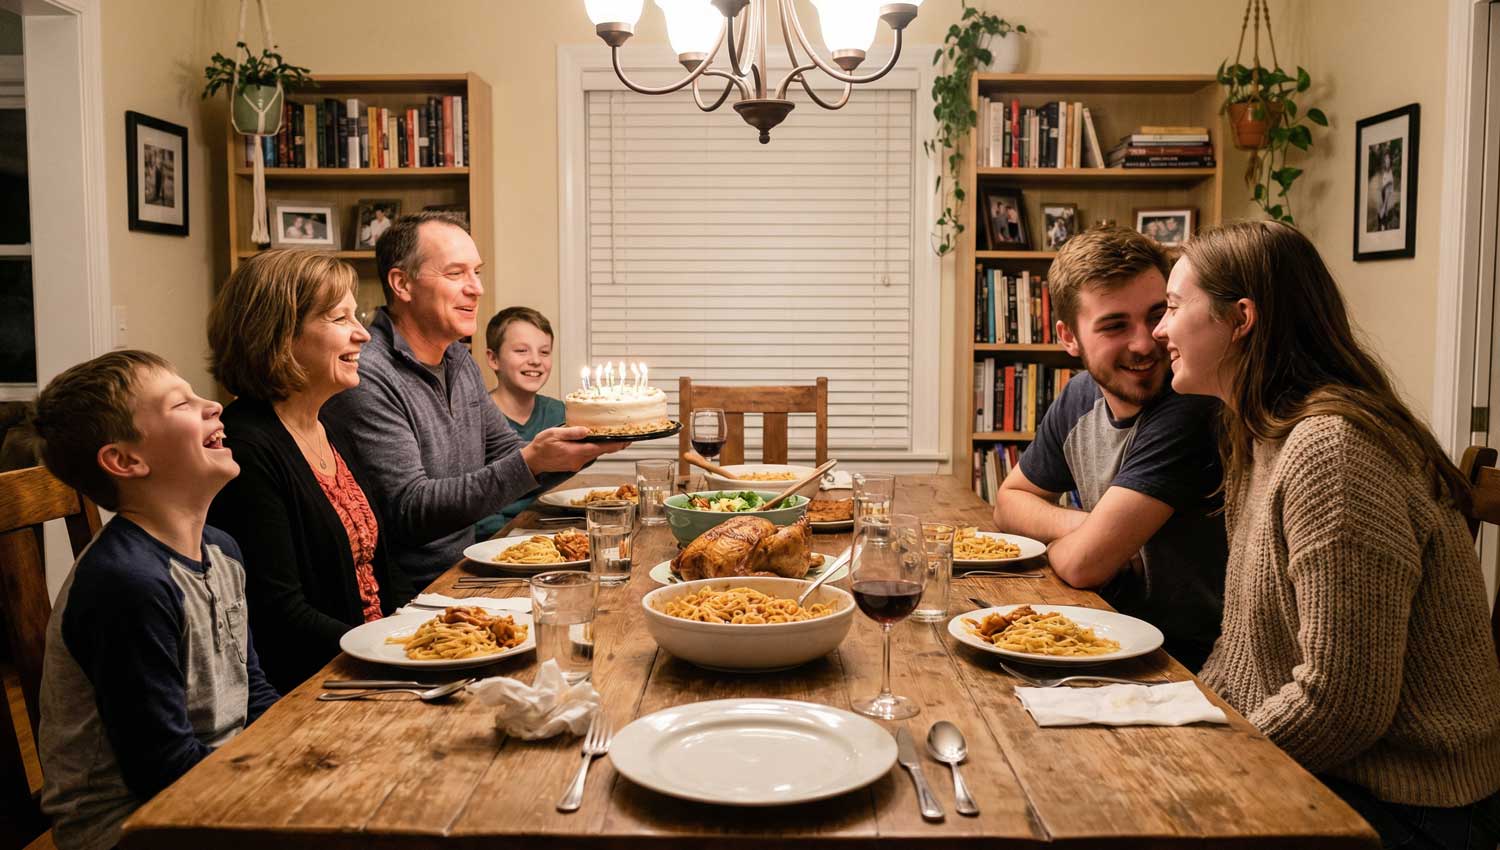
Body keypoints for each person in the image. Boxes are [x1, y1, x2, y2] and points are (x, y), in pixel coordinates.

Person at [1151, 220, 1500, 849]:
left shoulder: (1331, 451)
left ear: (1241, 318)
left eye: (1174, 307)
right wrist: (1182, 726)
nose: (1159, 330)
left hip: (1412, 806)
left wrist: (1211, 763)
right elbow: (1241, 651)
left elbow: (1343, 703)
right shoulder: (1259, 436)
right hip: (1333, 770)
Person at [29, 350, 279, 850]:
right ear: (125, 460)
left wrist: (294, 753)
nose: (213, 405)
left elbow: (252, 691)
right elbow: (160, 766)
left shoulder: (221, 551)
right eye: (180, 404)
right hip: (132, 825)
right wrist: (280, 789)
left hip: (214, 783)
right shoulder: (126, 582)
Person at [322, 211, 626, 586]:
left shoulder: (457, 359)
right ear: (402, 283)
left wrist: (582, 447)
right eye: (455, 274)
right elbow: (410, 509)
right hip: (416, 593)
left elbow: (506, 453)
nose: (476, 288)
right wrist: (533, 460)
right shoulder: (368, 373)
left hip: (468, 569)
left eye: (476, 272)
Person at [991, 226, 1226, 671]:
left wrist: (1085, 542)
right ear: (1069, 337)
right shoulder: (1080, 395)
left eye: (1159, 314)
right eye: (1115, 326)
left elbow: (1085, 566)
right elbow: (1008, 501)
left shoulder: (1192, 405)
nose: (1145, 342)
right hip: (1110, 633)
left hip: (1185, 662)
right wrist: (1088, 524)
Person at [205, 250, 413, 693]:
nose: (363, 335)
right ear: (280, 335)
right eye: (340, 319)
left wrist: (419, 628)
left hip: (374, 658)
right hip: (316, 683)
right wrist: (399, 647)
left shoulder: (331, 423)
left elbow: (381, 562)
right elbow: (278, 612)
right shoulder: (244, 448)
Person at [474, 306, 567, 540]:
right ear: (493, 359)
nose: (535, 360)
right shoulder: (475, 419)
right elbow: (478, 509)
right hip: (497, 540)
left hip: (549, 531)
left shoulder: (560, 414)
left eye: (544, 352)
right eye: (521, 351)